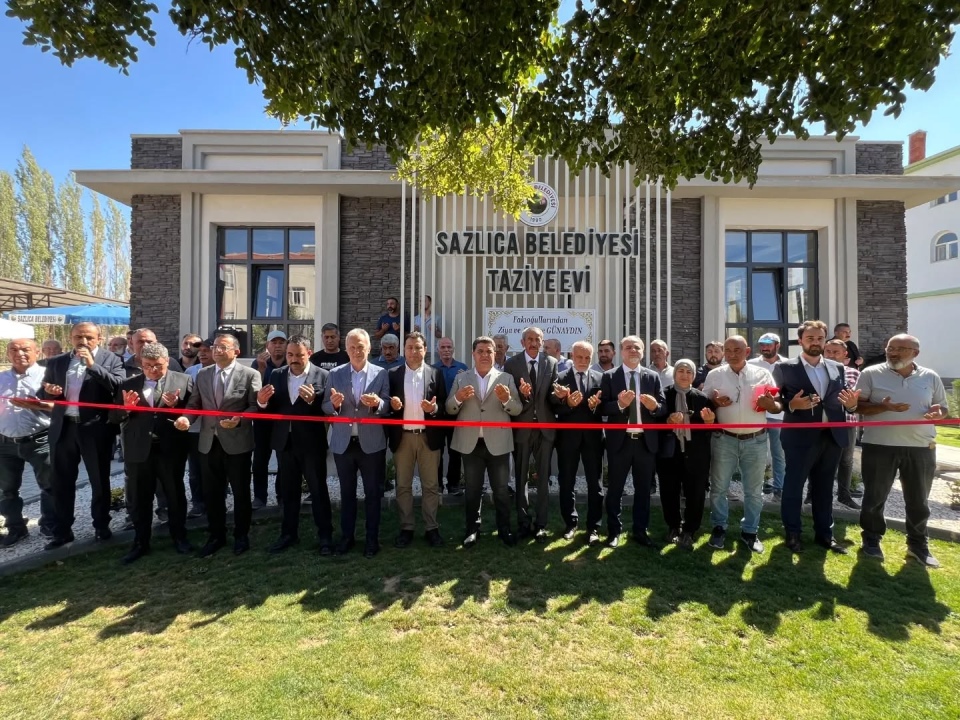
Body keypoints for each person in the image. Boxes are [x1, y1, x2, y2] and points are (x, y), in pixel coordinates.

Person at [855, 334, 949, 568]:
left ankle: (918, 545)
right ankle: (872, 540)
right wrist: (882, 407)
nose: (893, 352)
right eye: (890, 348)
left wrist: (939, 413)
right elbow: (858, 406)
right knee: (875, 497)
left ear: (915, 353)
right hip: (879, 445)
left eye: (900, 349)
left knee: (918, 500)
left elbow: (943, 408)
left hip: (920, 447)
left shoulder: (930, 376)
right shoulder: (870, 373)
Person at [774, 321, 860, 555]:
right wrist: (792, 404)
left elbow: (843, 402)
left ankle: (825, 535)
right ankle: (793, 533)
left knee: (824, 489)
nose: (816, 342)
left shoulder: (836, 367)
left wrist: (852, 407)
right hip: (799, 438)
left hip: (832, 436)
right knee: (793, 488)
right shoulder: (785, 368)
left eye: (820, 338)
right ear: (800, 340)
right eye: (810, 338)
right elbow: (774, 402)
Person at [174, 333, 261, 557]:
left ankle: (241, 536)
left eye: (223, 347)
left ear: (236, 351)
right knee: (212, 493)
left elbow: (256, 407)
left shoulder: (250, 374)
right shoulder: (202, 375)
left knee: (241, 492)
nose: (217, 350)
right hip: (208, 442)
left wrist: (240, 418)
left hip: (237, 443)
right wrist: (186, 418)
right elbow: (194, 404)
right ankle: (216, 535)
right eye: (215, 347)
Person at [40, 322, 125, 549]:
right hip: (64, 428)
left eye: (89, 337)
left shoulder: (112, 359)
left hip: (94, 428)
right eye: (78, 337)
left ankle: (101, 525)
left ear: (99, 337)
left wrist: (93, 366)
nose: (83, 341)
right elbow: (42, 391)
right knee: (61, 482)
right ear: (71, 337)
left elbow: (119, 387)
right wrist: (49, 391)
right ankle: (63, 531)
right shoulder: (57, 361)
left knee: (99, 480)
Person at [113, 342, 193, 564]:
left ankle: (179, 537)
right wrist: (126, 409)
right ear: (141, 363)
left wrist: (177, 406)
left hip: (170, 448)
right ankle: (140, 542)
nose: (153, 370)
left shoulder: (183, 380)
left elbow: (192, 410)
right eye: (148, 366)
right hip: (139, 450)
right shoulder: (128, 384)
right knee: (140, 498)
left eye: (158, 365)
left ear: (167, 361)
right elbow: (114, 418)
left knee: (174, 495)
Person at [702, 335, 781, 553]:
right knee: (718, 488)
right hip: (724, 439)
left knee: (754, 491)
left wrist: (771, 404)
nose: (731, 354)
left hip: (755, 439)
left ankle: (750, 532)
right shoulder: (715, 375)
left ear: (747, 351)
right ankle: (719, 527)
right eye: (728, 350)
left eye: (736, 350)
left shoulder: (762, 374)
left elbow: (777, 406)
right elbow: (703, 402)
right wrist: (714, 402)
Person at [257, 335, 332, 555]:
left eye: (298, 355)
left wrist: (313, 402)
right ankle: (288, 534)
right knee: (288, 492)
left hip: (311, 443)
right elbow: (270, 408)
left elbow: (328, 409)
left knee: (318, 491)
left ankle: (325, 536)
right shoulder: (277, 374)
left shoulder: (323, 375)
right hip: (285, 443)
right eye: (290, 355)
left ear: (308, 353)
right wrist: (261, 401)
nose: (293, 359)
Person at [446, 336, 523, 547]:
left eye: (489, 351)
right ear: (473, 354)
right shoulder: (462, 378)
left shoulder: (505, 378)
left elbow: (516, 409)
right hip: (470, 444)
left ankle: (504, 529)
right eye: (480, 351)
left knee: (501, 489)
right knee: (472, 490)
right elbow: (449, 408)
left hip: (498, 443)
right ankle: (472, 529)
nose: (485, 355)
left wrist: (507, 399)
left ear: (494, 354)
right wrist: (459, 398)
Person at [321, 328, 391, 558]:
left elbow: (387, 406)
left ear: (369, 348)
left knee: (373, 494)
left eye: (360, 346)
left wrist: (377, 403)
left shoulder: (381, 373)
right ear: (346, 349)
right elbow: (326, 407)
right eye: (351, 347)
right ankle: (347, 538)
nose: (356, 351)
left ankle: (372, 540)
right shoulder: (336, 374)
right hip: (344, 444)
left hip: (371, 443)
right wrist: (335, 405)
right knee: (347, 493)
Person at [600, 336, 667, 548]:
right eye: (628, 347)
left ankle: (640, 530)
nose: (633, 350)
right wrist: (619, 405)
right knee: (615, 489)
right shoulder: (610, 376)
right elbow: (601, 408)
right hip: (620, 442)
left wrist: (655, 407)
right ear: (621, 351)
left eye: (637, 347)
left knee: (643, 489)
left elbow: (663, 409)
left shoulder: (652, 377)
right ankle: (614, 532)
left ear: (643, 352)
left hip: (645, 443)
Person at [387, 332, 448, 548]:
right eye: (410, 347)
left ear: (425, 350)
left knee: (430, 486)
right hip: (402, 437)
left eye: (418, 347)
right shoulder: (393, 374)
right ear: (404, 349)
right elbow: (385, 404)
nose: (414, 351)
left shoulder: (435, 373)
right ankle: (406, 528)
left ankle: (432, 528)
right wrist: (391, 406)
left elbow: (442, 402)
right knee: (403, 485)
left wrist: (434, 409)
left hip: (427, 438)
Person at [0, 338, 57, 547]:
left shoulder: (47, 377)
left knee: (49, 485)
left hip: (38, 439)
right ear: (8, 354)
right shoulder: (1, 379)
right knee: (7, 489)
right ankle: (16, 527)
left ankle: (49, 524)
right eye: (14, 350)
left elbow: (61, 407)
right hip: (5, 443)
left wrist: (38, 405)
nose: (20, 353)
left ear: (36, 352)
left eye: (25, 349)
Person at [504, 326, 559, 541]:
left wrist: (561, 395)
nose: (533, 342)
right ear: (522, 341)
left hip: (545, 430)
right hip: (522, 428)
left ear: (542, 341)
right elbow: (509, 397)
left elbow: (552, 399)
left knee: (543, 478)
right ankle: (523, 522)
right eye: (529, 339)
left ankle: (541, 524)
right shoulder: (512, 363)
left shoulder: (551, 363)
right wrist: (521, 393)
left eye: (537, 339)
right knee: (521, 477)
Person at [655, 359, 716, 549]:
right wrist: (667, 422)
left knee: (696, 493)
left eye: (688, 372)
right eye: (680, 370)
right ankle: (673, 527)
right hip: (669, 453)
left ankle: (690, 530)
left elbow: (711, 428)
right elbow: (654, 422)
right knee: (669, 491)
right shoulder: (663, 395)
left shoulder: (702, 398)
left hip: (696, 454)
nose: (684, 375)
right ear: (674, 374)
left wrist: (709, 422)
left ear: (694, 376)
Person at [551, 340, 604, 544]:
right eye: (579, 357)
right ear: (571, 356)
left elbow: (605, 408)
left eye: (587, 357)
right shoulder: (560, 378)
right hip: (568, 439)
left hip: (593, 439)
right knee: (567, 482)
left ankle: (593, 528)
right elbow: (553, 407)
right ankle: (570, 524)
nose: (583, 361)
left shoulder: (601, 378)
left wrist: (595, 407)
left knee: (595, 484)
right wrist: (568, 404)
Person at [823, 339, 862, 508]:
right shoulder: (817, 371)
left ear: (845, 354)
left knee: (846, 460)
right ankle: (812, 494)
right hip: (823, 422)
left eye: (835, 352)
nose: (831, 355)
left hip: (847, 422)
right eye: (828, 351)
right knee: (819, 459)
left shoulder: (853, 373)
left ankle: (844, 495)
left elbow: (852, 396)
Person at [251, 330, 287, 509]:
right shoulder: (258, 364)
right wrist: (262, 369)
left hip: (282, 419)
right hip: (262, 419)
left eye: (282, 342)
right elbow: (254, 390)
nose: (278, 345)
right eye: (274, 342)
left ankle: (282, 495)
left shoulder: (291, 363)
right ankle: (260, 497)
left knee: (284, 459)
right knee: (259, 460)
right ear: (267, 346)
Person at [748, 332, 787, 499]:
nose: (764, 347)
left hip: (780, 416)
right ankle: (759, 487)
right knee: (758, 454)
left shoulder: (788, 364)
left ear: (777, 345)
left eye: (768, 344)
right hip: (756, 416)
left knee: (779, 454)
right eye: (762, 344)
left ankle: (779, 488)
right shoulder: (751, 364)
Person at [183, 337, 215, 518]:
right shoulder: (190, 371)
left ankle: (215, 502)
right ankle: (197, 503)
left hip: (214, 428)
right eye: (200, 350)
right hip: (194, 428)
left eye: (206, 350)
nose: (202, 353)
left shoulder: (220, 372)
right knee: (195, 470)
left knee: (213, 468)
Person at [433, 337, 468, 496]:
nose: (446, 350)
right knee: (437, 452)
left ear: (453, 349)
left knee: (455, 452)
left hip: (456, 416)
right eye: (443, 347)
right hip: (438, 417)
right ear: (438, 350)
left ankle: (454, 484)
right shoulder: (432, 369)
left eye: (449, 347)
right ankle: (438, 484)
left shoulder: (462, 368)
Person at [413, 295, 443, 362]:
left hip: (433, 351)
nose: (421, 303)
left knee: (433, 370)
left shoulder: (437, 318)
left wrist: (435, 331)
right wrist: (415, 331)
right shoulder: (415, 319)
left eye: (424, 301)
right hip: (419, 350)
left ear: (429, 302)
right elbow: (411, 336)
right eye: (420, 301)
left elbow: (442, 335)